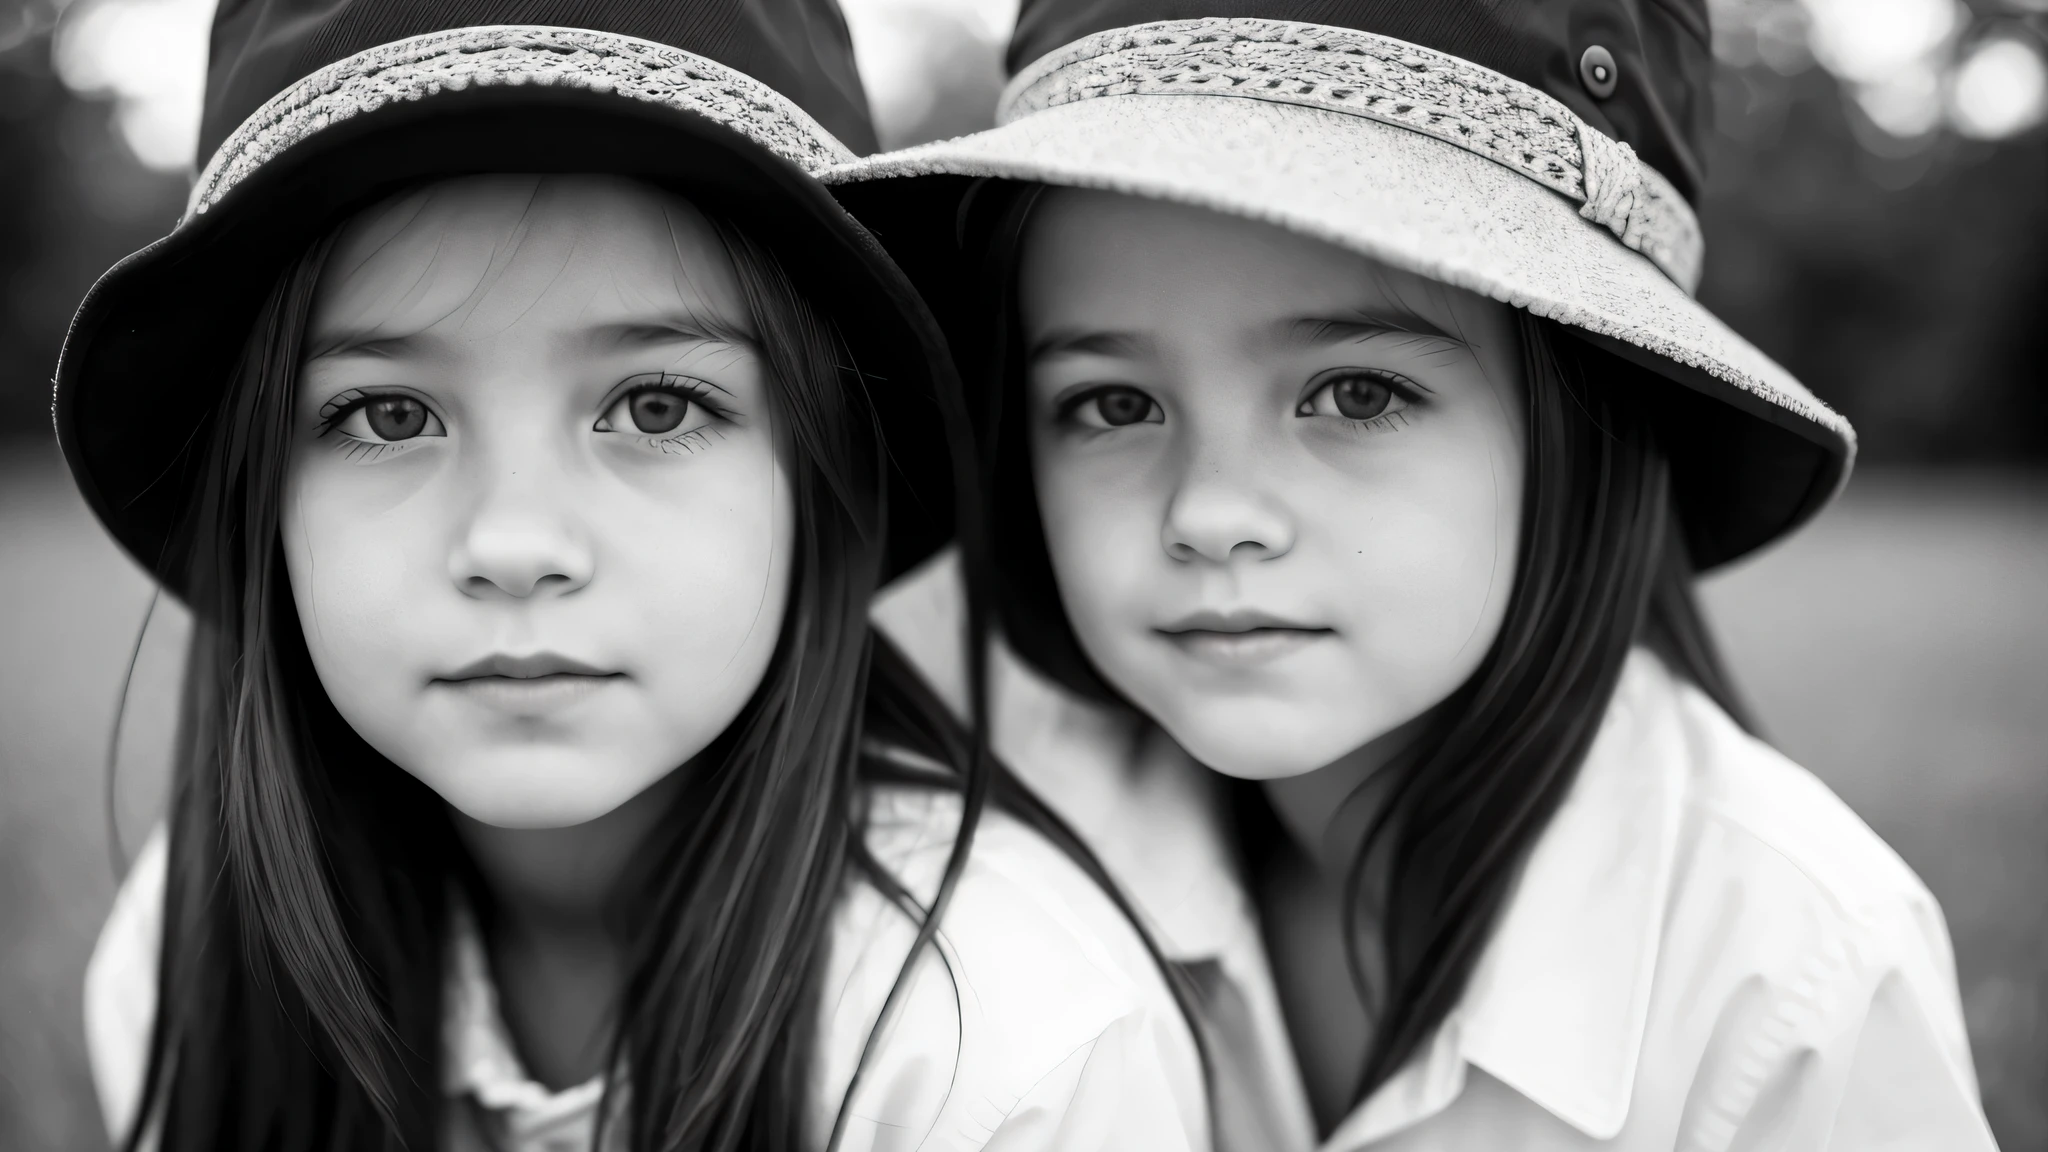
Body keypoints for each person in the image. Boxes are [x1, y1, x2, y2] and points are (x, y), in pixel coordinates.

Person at [832, 1, 2002, 1148]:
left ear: (1580, 420)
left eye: (1354, 394)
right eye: (1113, 404)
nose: (1209, 515)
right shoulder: (962, 876)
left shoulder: (1791, 978)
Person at [65, 3, 1209, 1150]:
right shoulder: (194, 953)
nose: (515, 542)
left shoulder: (998, 1050)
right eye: (387, 413)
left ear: (822, 468)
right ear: (259, 494)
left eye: (654, 406)